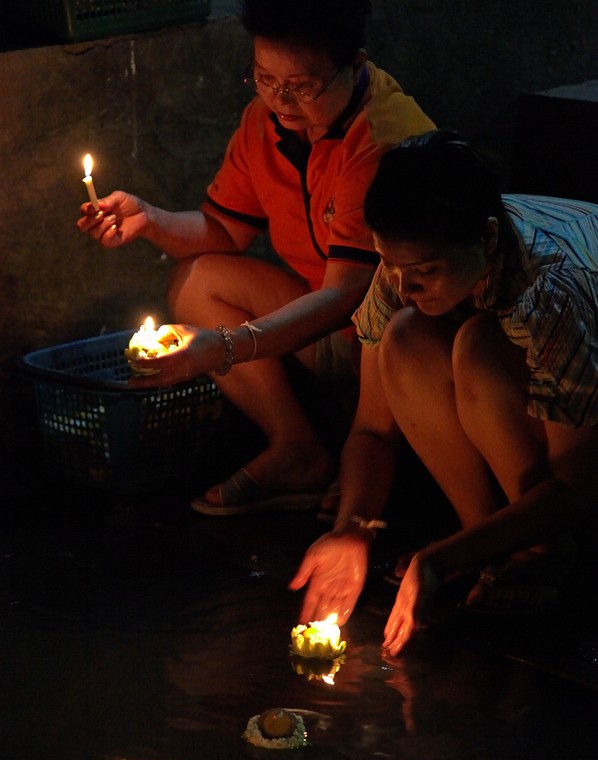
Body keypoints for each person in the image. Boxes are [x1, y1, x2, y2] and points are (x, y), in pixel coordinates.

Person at [76, 0, 435, 516]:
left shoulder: (381, 142)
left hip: (400, 339)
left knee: (396, 328)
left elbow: (346, 295)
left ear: (354, 65)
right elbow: (223, 230)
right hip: (331, 323)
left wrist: (223, 347)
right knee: (197, 279)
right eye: (264, 78)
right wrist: (149, 219)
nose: (280, 100)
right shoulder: (265, 122)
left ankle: (377, 468)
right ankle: (297, 449)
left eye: (302, 87)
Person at [289, 129, 598, 655]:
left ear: (488, 238)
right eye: (391, 264)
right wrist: (353, 529)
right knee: (404, 335)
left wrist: (439, 561)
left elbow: (578, 485)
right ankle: (483, 537)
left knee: (477, 346)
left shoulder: (550, 290)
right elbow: (372, 430)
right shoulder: (402, 268)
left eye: (426, 271)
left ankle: (541, 552)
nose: (404, 286)